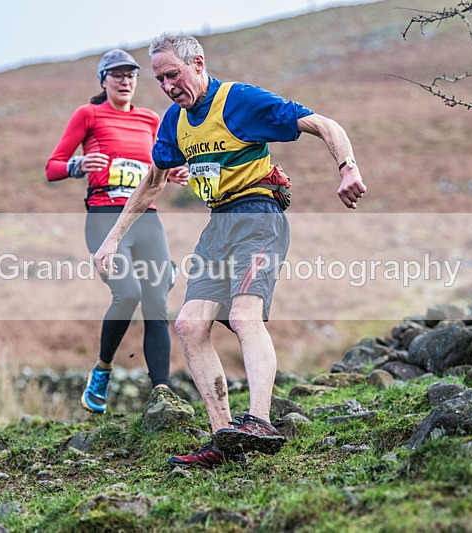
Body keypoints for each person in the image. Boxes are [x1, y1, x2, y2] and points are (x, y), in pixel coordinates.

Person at [93, 33, 367, 467]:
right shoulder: (174, 122)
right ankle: (225, 437)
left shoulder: (240, 101)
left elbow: (324, 124)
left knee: (243, 316)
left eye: (173, 75)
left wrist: (347, 167)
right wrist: (111, 238)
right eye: (160, 79)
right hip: (218, 225)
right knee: (188, 325)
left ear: (198, 62)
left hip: (258, 215)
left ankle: (259, 420)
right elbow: (152, 183)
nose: (167, 86)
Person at [45, 49, 189, 414]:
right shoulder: (88, 114)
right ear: (103, 80)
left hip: (146, 218)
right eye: (117, 75)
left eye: (131, 75)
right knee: (127, 292)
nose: (125, 81)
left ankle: (162, 397)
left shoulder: (150, 118)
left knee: (156, 303)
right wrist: (77, 164)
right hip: (104, 219)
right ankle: (103, 369)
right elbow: (52, 167)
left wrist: (176, 173)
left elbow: (164, 162)